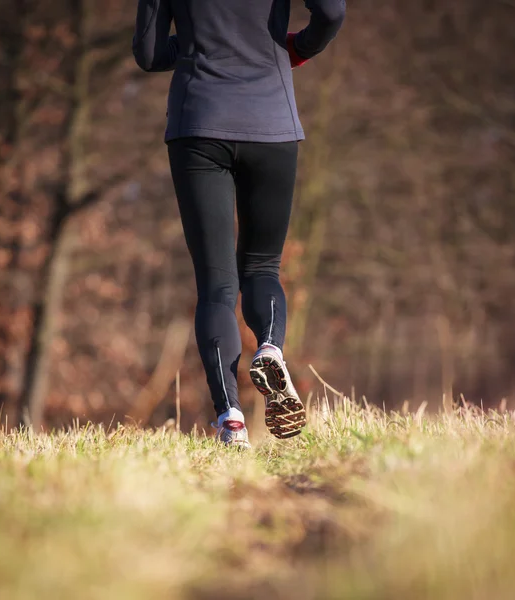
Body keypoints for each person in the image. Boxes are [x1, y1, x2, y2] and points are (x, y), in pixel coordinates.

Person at [133, 0, 346, 448]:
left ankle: (230, 417)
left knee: (215, 286)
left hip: (200, 123)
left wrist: (195, 45)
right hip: (272, 123)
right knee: (263, 267)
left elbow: (149, 53)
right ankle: (269, 346)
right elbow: (331, 12)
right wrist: (296, 47)